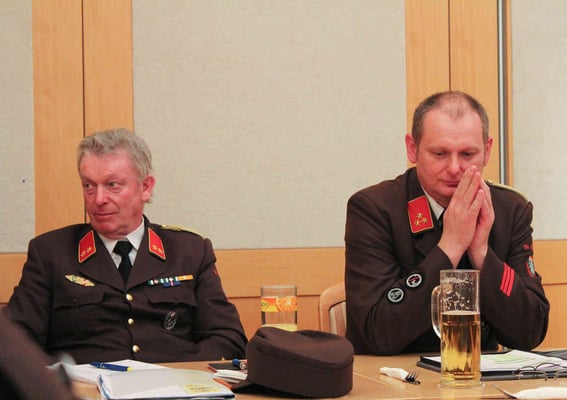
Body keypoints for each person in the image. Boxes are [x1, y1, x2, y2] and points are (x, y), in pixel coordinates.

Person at [4, 128, 247, 364]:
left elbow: (227, 338)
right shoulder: (51, 253)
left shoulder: (189, 252)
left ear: (145, 187)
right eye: (89, 186)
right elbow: (14, 340)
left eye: (113, 185)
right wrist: (61, 379)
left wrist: (181, 374)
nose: (98, 199)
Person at [344, 90, 550, 355]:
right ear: (412, 148)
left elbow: (530, 331)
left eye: (467, 154)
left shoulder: (510, 210)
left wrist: (482, 254)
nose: (454, 168)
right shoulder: (375, 209)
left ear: (487, 151)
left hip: (477, 373)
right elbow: (378, 332)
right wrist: (449, 247)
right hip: (392, 375)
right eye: (440, 153)